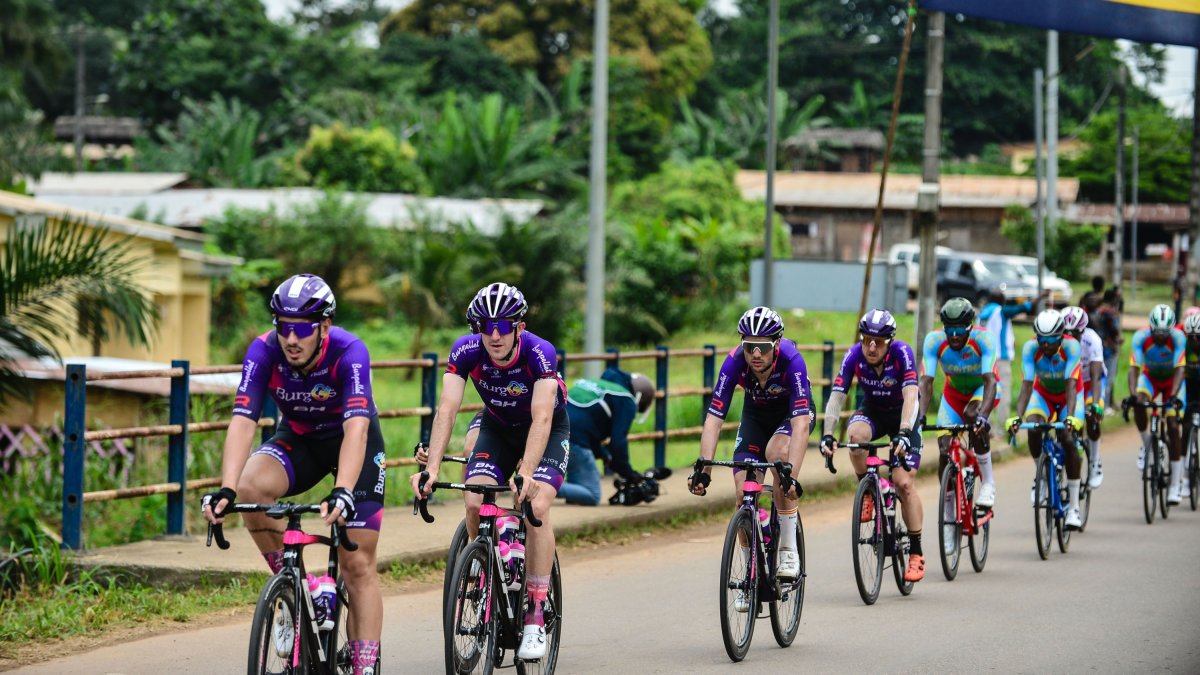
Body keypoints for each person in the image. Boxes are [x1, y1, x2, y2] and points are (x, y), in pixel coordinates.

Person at [201, 273, 384, 675]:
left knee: (357, 564)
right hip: (300, 440)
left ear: (324, 326)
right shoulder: (264, 351)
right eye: (283, 327)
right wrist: (227, 488)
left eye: (302, 328)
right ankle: (298, 591)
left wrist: (343, 489)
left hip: (354, 443)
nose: (291, 338)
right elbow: (243, 420)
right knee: (250, 487)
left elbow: (357, 428)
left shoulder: (350, 351)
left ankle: (364, 664)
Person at [412, 282, 567, 660]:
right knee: (473, 499)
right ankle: (482, 569)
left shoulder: (539, 352)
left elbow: (542, 417)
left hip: (545, 431)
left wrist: (526, 471)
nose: (494, 335)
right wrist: (432, 467)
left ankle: (534, 611)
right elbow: (447, 409)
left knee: (536, 507)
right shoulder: (465, 350)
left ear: (519, 327)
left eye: (502, 326)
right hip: (497, 428)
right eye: (485, 326)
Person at [688, 306, 813, 591]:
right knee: (742, 493)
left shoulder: (792, 360)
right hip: (755, 418)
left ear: (776, 345)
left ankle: (788, 549)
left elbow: (801, 425)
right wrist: (704, 469)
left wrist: (792, 476)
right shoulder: (734, 361)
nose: (756, 354)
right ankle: (749, 573)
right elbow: (714, 419)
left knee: (777, 456)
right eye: (749, 346)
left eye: (763, 347)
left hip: (790, 417)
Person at [820, 309, 926, 582]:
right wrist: (828, 434)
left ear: (889, 342)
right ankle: (868, 489)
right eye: (867, 340)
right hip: (874, 411)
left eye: (878, 342)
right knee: (855, 437)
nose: (871, 347)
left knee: (903, 483)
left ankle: (916, 551)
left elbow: (911, 396)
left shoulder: (901, 353)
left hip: (903, 414)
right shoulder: (854, 355)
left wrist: (904, 432)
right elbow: (836, 396)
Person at [1005, 310, 1086, 529]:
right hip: (1044, 395)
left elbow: (1071, 384)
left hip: (1070, 395)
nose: (1046, 345)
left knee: (1067, 438)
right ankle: (1041, 475)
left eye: (1051, 340)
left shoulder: (1072, 347)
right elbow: (1027, 385)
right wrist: (1017, 417)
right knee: (1033, 427)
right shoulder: (1030, 348)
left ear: (1061, 336)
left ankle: (1074, 507)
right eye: (1041, 339)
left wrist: (1070, 417)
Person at [918, 297, 1000, 508]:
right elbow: (925, 382)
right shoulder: (934, 341)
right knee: (944, 451)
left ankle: (988, 482)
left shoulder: (984, 339)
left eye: (960, 329)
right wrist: (919, 416)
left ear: (970, 326)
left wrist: (983, 417)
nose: (954, 335)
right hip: (953, 395)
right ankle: (947, 510)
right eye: (949, 329)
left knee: (972, 415)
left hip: (982, 390)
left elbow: (990, 381)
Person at [562, 367, 658, 506]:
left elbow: (585, 421)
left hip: (554, 432)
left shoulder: (598, 384)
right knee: (592, 494)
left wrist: (604, 454)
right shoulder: (625, 400)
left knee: (580, 484)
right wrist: (629, 473)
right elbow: (618, 442)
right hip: (574, 440)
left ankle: (567, 492)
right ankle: (542, 486)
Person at [1125, 304, 1187, 505]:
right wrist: (1133, 394)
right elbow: (1134, 368)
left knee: (1173, 426)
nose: (1160, 337)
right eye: (1156, 332)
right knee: (1139, 403)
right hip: (1150, 378)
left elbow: (1180, 369)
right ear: (1150, 327)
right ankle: (1147, 445)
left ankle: (1175, 485)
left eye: (1164, 333)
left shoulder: (1178, 338)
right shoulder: (1140, 337)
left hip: (1172, 382)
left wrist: (1173, 396)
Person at [977, 286, 1046, 428]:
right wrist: (1041, 296)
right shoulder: (1000, 311)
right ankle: (1002, 428)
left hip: (982, 360)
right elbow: (1025, 307)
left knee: (985, 393)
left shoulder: (981, 314)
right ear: (1002, 301)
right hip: (1000, 359)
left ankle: (985, 426)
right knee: (1003, 394)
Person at [1061, 306, 1106, 488]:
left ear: (1083, 330)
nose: (1070, 337)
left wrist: (1095, 404)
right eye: (1066, 332)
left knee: (1091, 417)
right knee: (1068, 423)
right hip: (1070, 383)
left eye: (1075, 333)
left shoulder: (1092, 339)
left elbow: (1096, 377)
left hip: (1089, 382)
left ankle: (1094, 461)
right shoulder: (1058, 340)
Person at [1095, 289, 1123, 409]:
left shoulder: (1098, 310)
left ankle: (1104, 403)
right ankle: (1105, 405)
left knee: (1100, 377)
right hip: (1109, 349)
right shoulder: (1110, 313)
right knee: (1108, 378)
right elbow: (1112, 330)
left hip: (1099, 348)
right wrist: (1116, 341)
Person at [1181, 310, 1200, 494]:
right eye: (1191, 336)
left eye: (1198, 337)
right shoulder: (1182, 346)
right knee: (1185, 428)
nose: (1194, 340)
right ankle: (1185, 476)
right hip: (1188, 387)